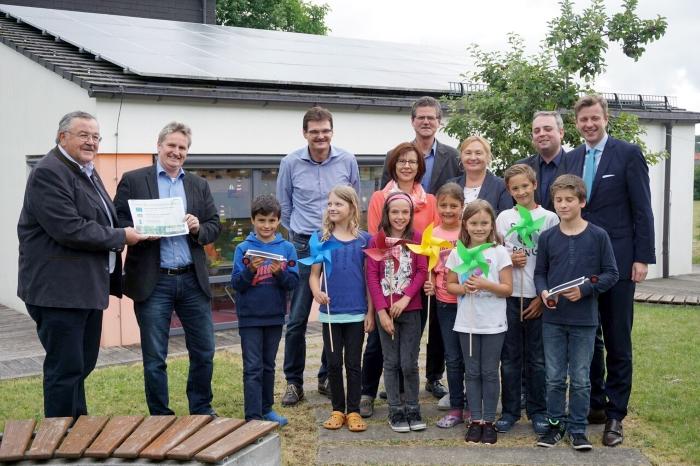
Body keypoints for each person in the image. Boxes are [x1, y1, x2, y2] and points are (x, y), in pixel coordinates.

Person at [17, 111, 144, 418]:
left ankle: (76, 427)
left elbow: (102, 216)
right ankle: (58, 439)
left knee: (81, 364)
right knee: (65, 368)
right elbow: (70, 228)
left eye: (95, 136)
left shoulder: (84, 169)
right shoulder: (49, 172)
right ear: (63, 137)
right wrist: (121, 236)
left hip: (85, 288)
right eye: (83, 135)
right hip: (59, 292)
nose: (91, 142)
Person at [559, 95, 655, 446]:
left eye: (594, 118)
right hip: (580, 263)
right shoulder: (570, 158)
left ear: (605, 118)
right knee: (587, 336)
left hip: (618, 262)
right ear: (576, 123)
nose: (589, 124)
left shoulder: (627, 154)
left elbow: (642, 209)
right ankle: (594, 404)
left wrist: (642, 257)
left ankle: (616, 415)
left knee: (617, 338)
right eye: (583, 119)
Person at [114, 121, 221, 416]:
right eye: (171, 146)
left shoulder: (198, 185)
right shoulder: (134, 180)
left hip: (191, 279)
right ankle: (160, 415)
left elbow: (214, 227)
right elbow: (116, 222)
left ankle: (201, 407)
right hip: (153, 281)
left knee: (204, 351)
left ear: (187, 152)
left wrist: (199, 227)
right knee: (154, 357)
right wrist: (136, 230)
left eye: (182, 148)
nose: (176, 152)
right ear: (159, 146)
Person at [378, 96, 462, 401]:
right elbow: (384, 204)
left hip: (437, 247)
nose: (426, 122)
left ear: (440, 121)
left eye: (432, 117)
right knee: (408, 319)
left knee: (438, 322)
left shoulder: (452, 157)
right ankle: (398, 374)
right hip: (402, 252)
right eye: (421, 117)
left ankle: (433, 376)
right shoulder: (396, 154)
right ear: (413, 121)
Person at [277, 106, 360, 406]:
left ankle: (327, 375)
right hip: (303, 244)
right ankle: (293, 382)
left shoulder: (347, 160)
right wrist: (307, 236)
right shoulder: (290, 163)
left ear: (332, 131)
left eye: (325, 130)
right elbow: (284, 207)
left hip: (339, 245)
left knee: (335, 313)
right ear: (305, 133)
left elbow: (353, 200)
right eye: (314, 131)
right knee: (297, 318)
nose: (320, 136)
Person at [534, 174, 619, 451]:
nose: (563, 205)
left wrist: (585, 289)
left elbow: (611, 274)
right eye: (558, 200)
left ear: (582, 201)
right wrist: (544, 292)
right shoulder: (547, 237)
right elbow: (541, 273)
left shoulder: (598, 236)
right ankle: (555, 426)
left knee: (581, 379)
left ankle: (578, 429)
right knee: (554, 377)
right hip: (553, 320)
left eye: (569, 200)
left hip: (584, 320)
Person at [495, 164, 559, 436]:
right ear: (509, 191)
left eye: (525, 186)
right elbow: (496, 254)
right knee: (509, 358)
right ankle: (510, 410)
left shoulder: (549, 219)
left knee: (537, 359)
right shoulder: (503, 218)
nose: (520, 191)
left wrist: (543, 298)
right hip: (510, 297)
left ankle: (538, 410)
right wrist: (510, 258)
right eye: (514, 188)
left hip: (537, 297)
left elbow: (554, 262)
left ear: (534, 184)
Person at [445, 199, 513, 444]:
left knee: (489, 372)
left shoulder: (499, 252)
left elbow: (507, 288)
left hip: (493, 322)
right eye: (474, 223)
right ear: (465, 224)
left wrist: (485, 284)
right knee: (472, 372)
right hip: (467, 322)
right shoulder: (457, 252)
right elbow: (449, 284)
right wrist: (463, 288)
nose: (479, 227)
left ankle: (489, 421)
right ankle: (475, 420)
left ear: (492, 224)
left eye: (484, 223)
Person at [231, 195, 299, 426]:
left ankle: (266, 409)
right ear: (252, 220)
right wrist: (251, 271)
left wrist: (280, 272)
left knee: (268, 365)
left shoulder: (287, 248)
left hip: (274, 315)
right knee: (252, 367)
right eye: (261, 220)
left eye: (271, 220)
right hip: (249, 317)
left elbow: (292, 284)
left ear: (278, 221)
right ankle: (252, 416)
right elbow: (237, 284)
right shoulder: (243, 248)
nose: (266, 226)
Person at [310, 186, 373, 433]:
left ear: (352, 208)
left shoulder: (364, 240)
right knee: (334, 363)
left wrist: (370, 312)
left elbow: (369, 280)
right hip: (330, 314)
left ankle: (354, 410)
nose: (333, 208)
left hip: (357, 312)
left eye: (339, 204)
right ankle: (338, 409)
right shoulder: (321, 239)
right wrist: (316, 291)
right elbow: (314, 276)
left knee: (354, 363)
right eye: (330, 204)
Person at [366, 192, 428, 433]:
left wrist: (405, 299)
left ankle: (412, 406)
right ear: (387, 214)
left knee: (409, 363)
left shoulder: (417, 238)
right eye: (395, 212)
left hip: (410, 310)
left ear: (411, 215)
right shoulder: (376, 241)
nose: (400, 216)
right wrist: (381, 311)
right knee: (390, 362)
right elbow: (371, 276)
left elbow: (421, 271)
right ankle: (395, 409)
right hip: (386, 313)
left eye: (405, 212)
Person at [423, 183, 470, 428]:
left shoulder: (469, 230)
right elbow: (429, 266)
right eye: (444, 205)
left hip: (471, 301)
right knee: (452, 357)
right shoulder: (432, 233)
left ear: (463, 207)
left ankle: (473, 404)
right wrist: (430, 283)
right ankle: (456, 406)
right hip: (445, 302)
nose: (448, 210)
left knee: (470, 355)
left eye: (454, 205)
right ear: (437, 206)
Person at [368, 142, 439, 235]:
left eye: (412, 162)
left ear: (419, 166)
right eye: (401, 161)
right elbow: (374, 237)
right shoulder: (378, 198)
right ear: (394, 165)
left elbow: (436, 237)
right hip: (385, 250)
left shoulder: (431, 201)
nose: (406, 166)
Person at [449, 136, 513, 216]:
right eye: (468, 153)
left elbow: (506, 220)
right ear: (461, 156)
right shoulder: (451, 184)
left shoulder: (502, 186)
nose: (473, 157)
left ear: (488, 156)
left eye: (478, 153)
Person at [517, 111, 567, 211]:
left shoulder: (577, 164)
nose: (542, 134)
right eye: (536, 131)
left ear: (561, 133)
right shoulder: (521, 167)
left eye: (547, 129)